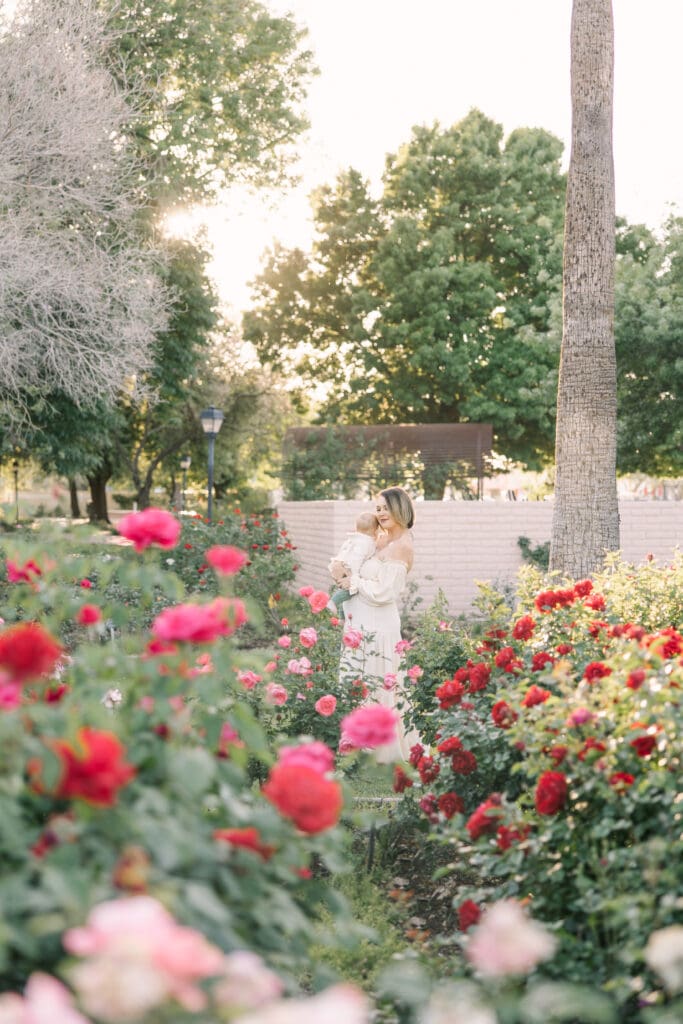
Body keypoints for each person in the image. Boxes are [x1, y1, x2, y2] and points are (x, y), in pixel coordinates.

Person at [338, 487, 417, 762]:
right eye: (378, 508)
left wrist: (353, 582)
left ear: (400, 509)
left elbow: (385, 592)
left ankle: (380, 747)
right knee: (359, 680)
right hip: (360, 622)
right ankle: (356, 743)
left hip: (380, 626)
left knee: (377, 681)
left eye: (385, 507)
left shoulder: (403, 546)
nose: (379, 513)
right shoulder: (380, 540)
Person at [328, 511, 380, 612]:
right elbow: (357, 558)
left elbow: (343, 551)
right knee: (350, 590)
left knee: (347, 595)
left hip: (341, 564)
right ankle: (333, 602)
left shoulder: (353, 539)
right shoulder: (366, 542)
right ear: (373, 530)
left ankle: (342, 617)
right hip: (349, 568)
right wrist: (353, 576)